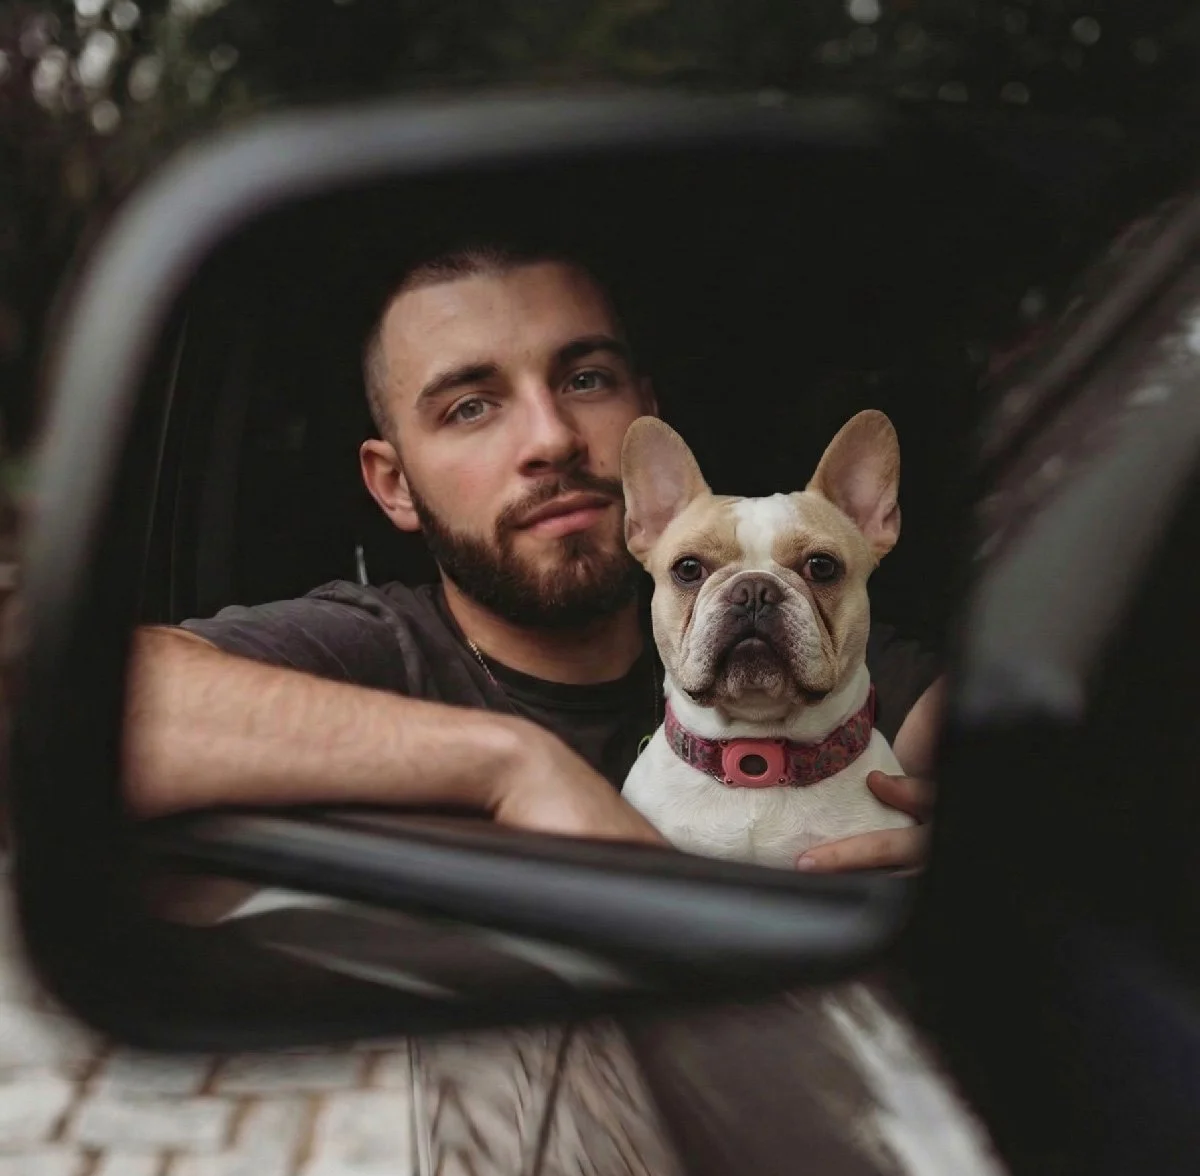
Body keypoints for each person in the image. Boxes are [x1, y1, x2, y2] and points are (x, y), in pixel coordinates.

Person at [124, 244, 935, 872]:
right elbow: (110, 703)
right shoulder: (376, 653)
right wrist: (511, 768)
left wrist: (981, 853)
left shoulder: (855, 674)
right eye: (471, 406)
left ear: (644, 418)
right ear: (394, 484)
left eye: (584, 379)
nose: (551, 438)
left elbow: (1029, 756)